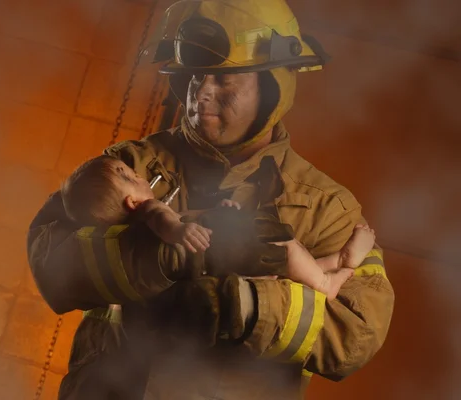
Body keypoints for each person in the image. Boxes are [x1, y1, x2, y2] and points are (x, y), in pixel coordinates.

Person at [26, 0, 395, 398]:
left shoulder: (325, 207)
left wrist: (247, 305)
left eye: (224, 79)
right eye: (193, 76)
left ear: (272, 85)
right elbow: (51, 261)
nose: (200, 93)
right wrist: (167, 255)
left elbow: (358, 334)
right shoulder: (129, 164)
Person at [61, 154, 377, 301]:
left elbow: (190, 217)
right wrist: (179, 232)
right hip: (226, 252)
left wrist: (220, 212)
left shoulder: (128, 240)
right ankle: (325, 281)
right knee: (286, 246)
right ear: (131, 201)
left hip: (227, 268)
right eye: (130, 176)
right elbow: (167, 219)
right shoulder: (148, 211)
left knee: (282, 271)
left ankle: (336, 263)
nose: (141, 177)